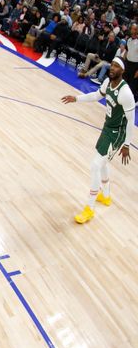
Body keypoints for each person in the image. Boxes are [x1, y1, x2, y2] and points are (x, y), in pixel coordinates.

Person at [61, 57, 134, 224]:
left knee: (95, 166)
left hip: (117, 134)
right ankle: (106, 196)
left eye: (117, 66)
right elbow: (96, 95)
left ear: (122, 71)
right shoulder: (108, 82)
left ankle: (89, 208)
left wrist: (126, 145)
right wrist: (77, 98)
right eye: (112, 65)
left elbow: (130, 121)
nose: (113, 68)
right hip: (107, 127)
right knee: (102, 163)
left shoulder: (125, 93)